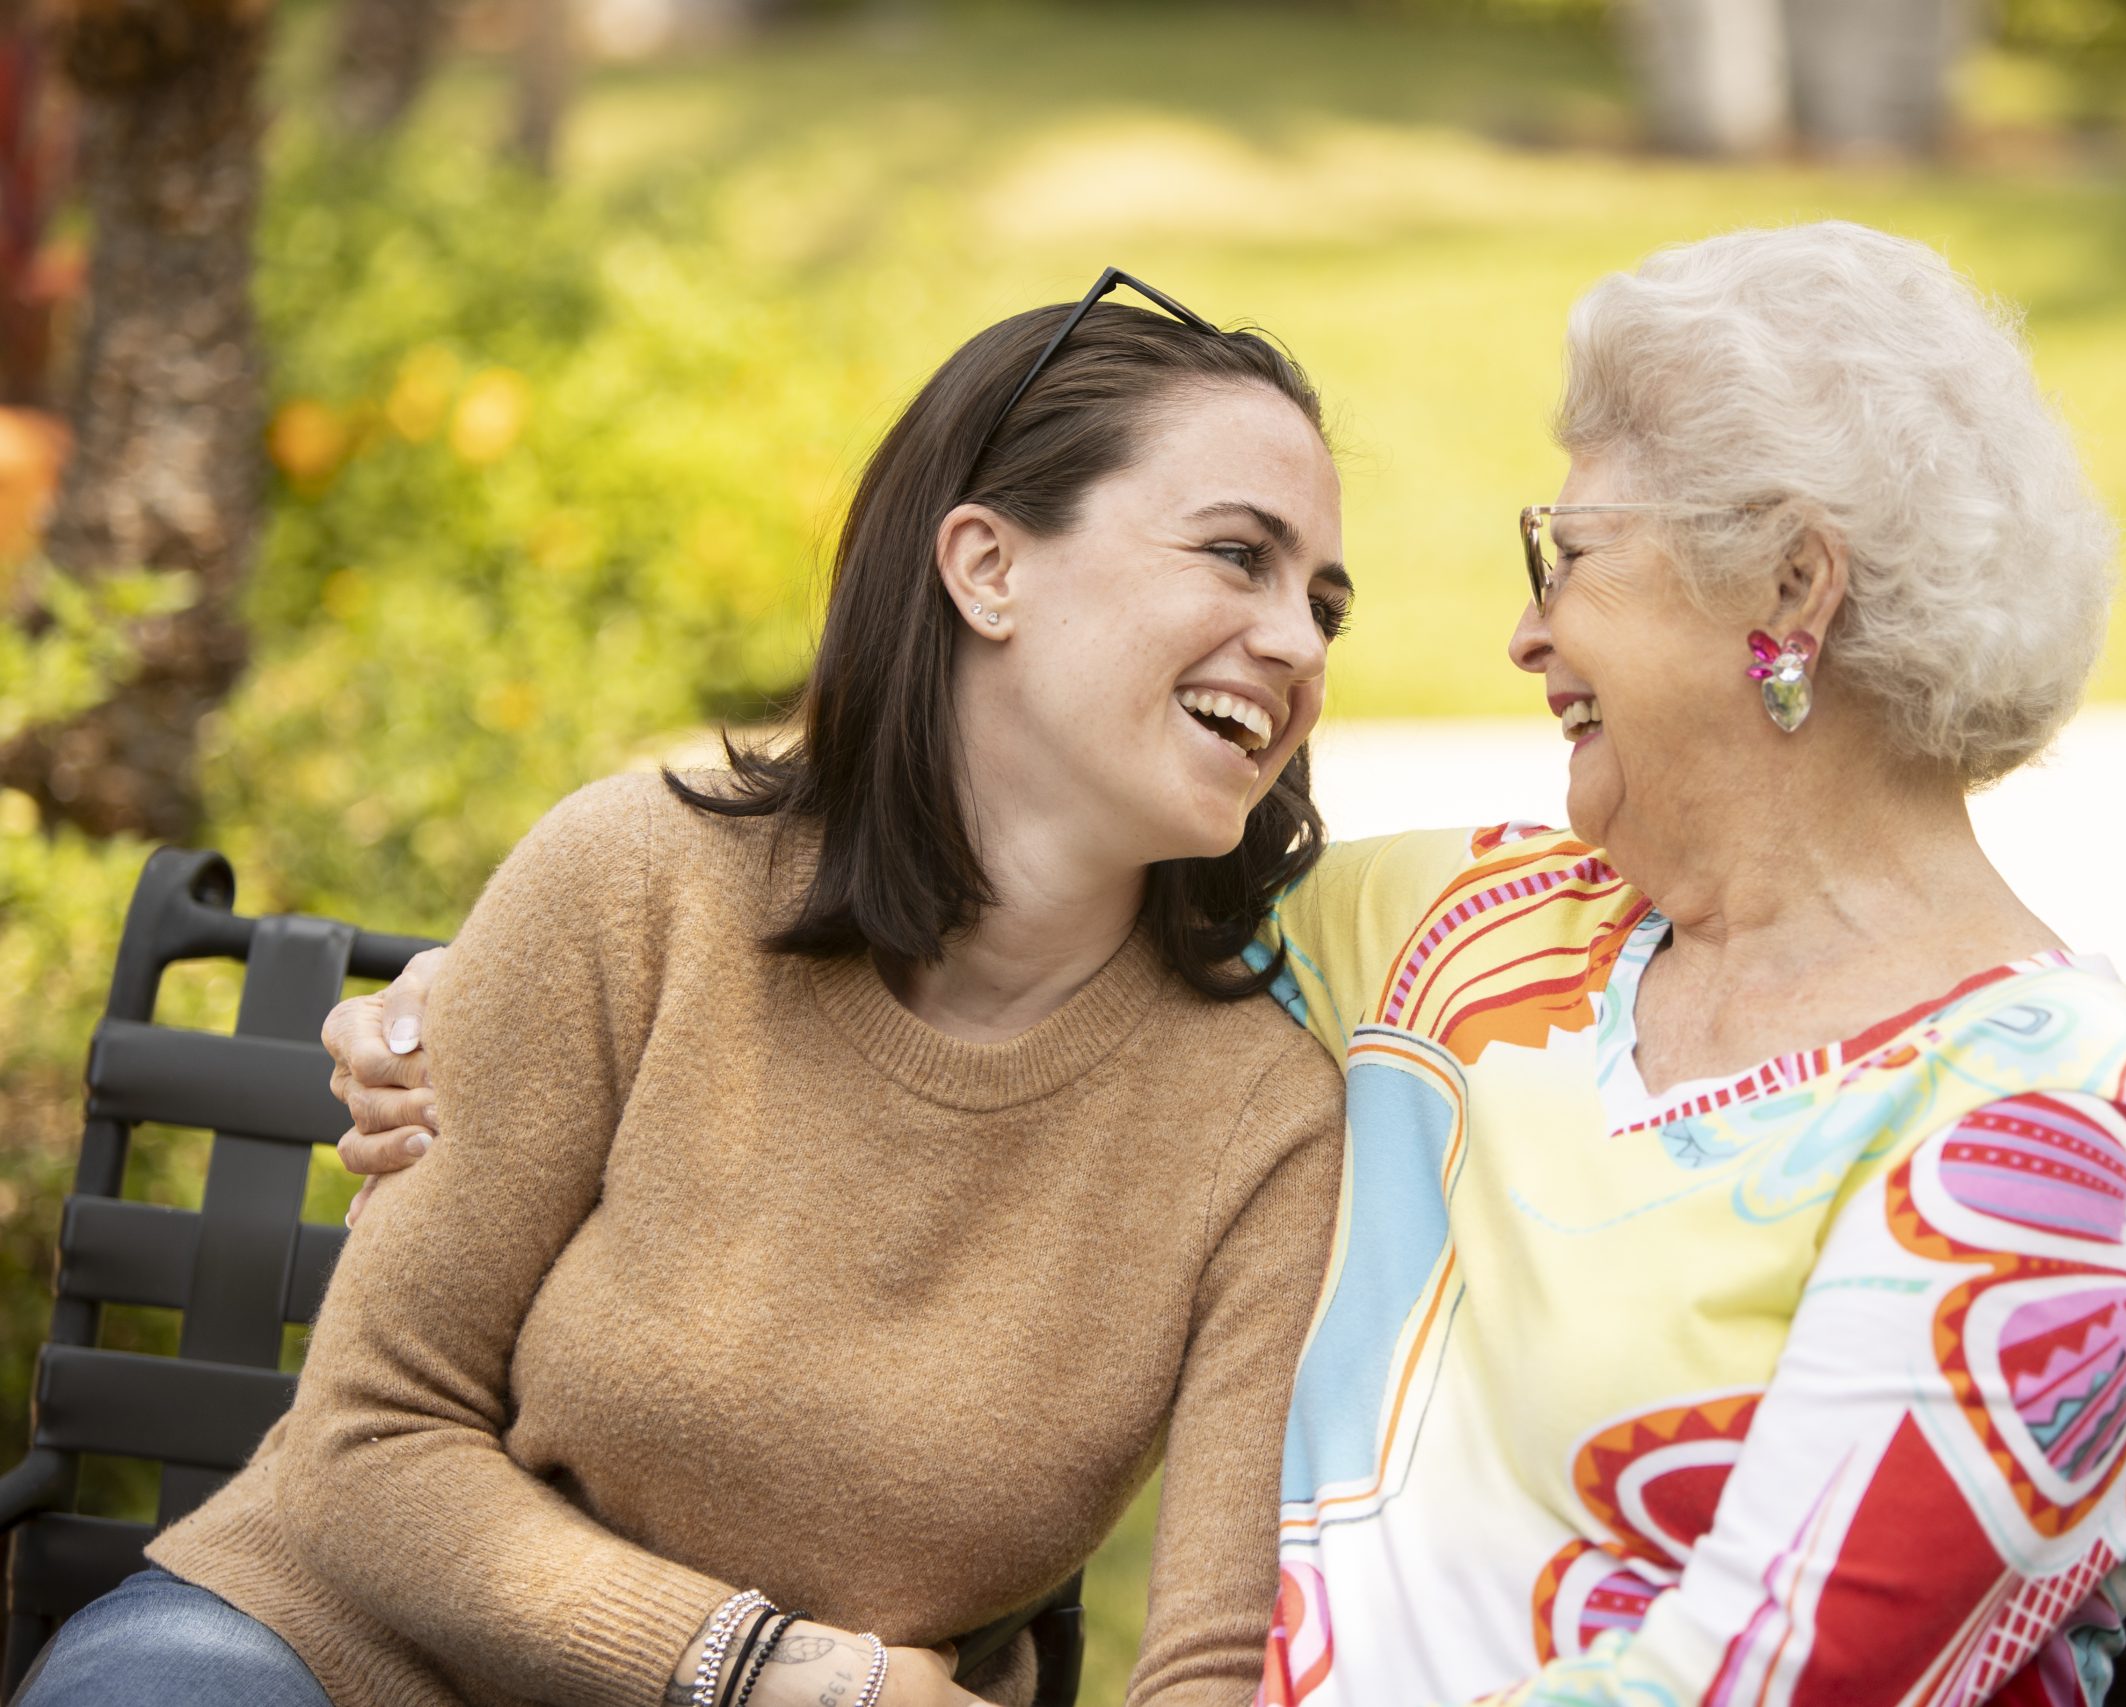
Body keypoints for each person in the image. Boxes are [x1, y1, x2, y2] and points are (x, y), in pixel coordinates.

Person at [326, 222, 2126, 1707]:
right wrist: (443, 1016)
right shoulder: (1478, 940)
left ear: (1788, 593)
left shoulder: (2036, 1144)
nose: (1526, 630)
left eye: (1572, 553)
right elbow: (1004, 858)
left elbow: (1769, 1681)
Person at [13, 281, 1358, 1707]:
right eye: (1237, 557)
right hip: (331, 1658)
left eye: (1325, 603)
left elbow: (1219, 1663)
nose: (1300, 644)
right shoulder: (641, 879)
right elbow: (369, 1445)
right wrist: (774, 1674)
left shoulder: (1261, 1117)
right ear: (986, 567)